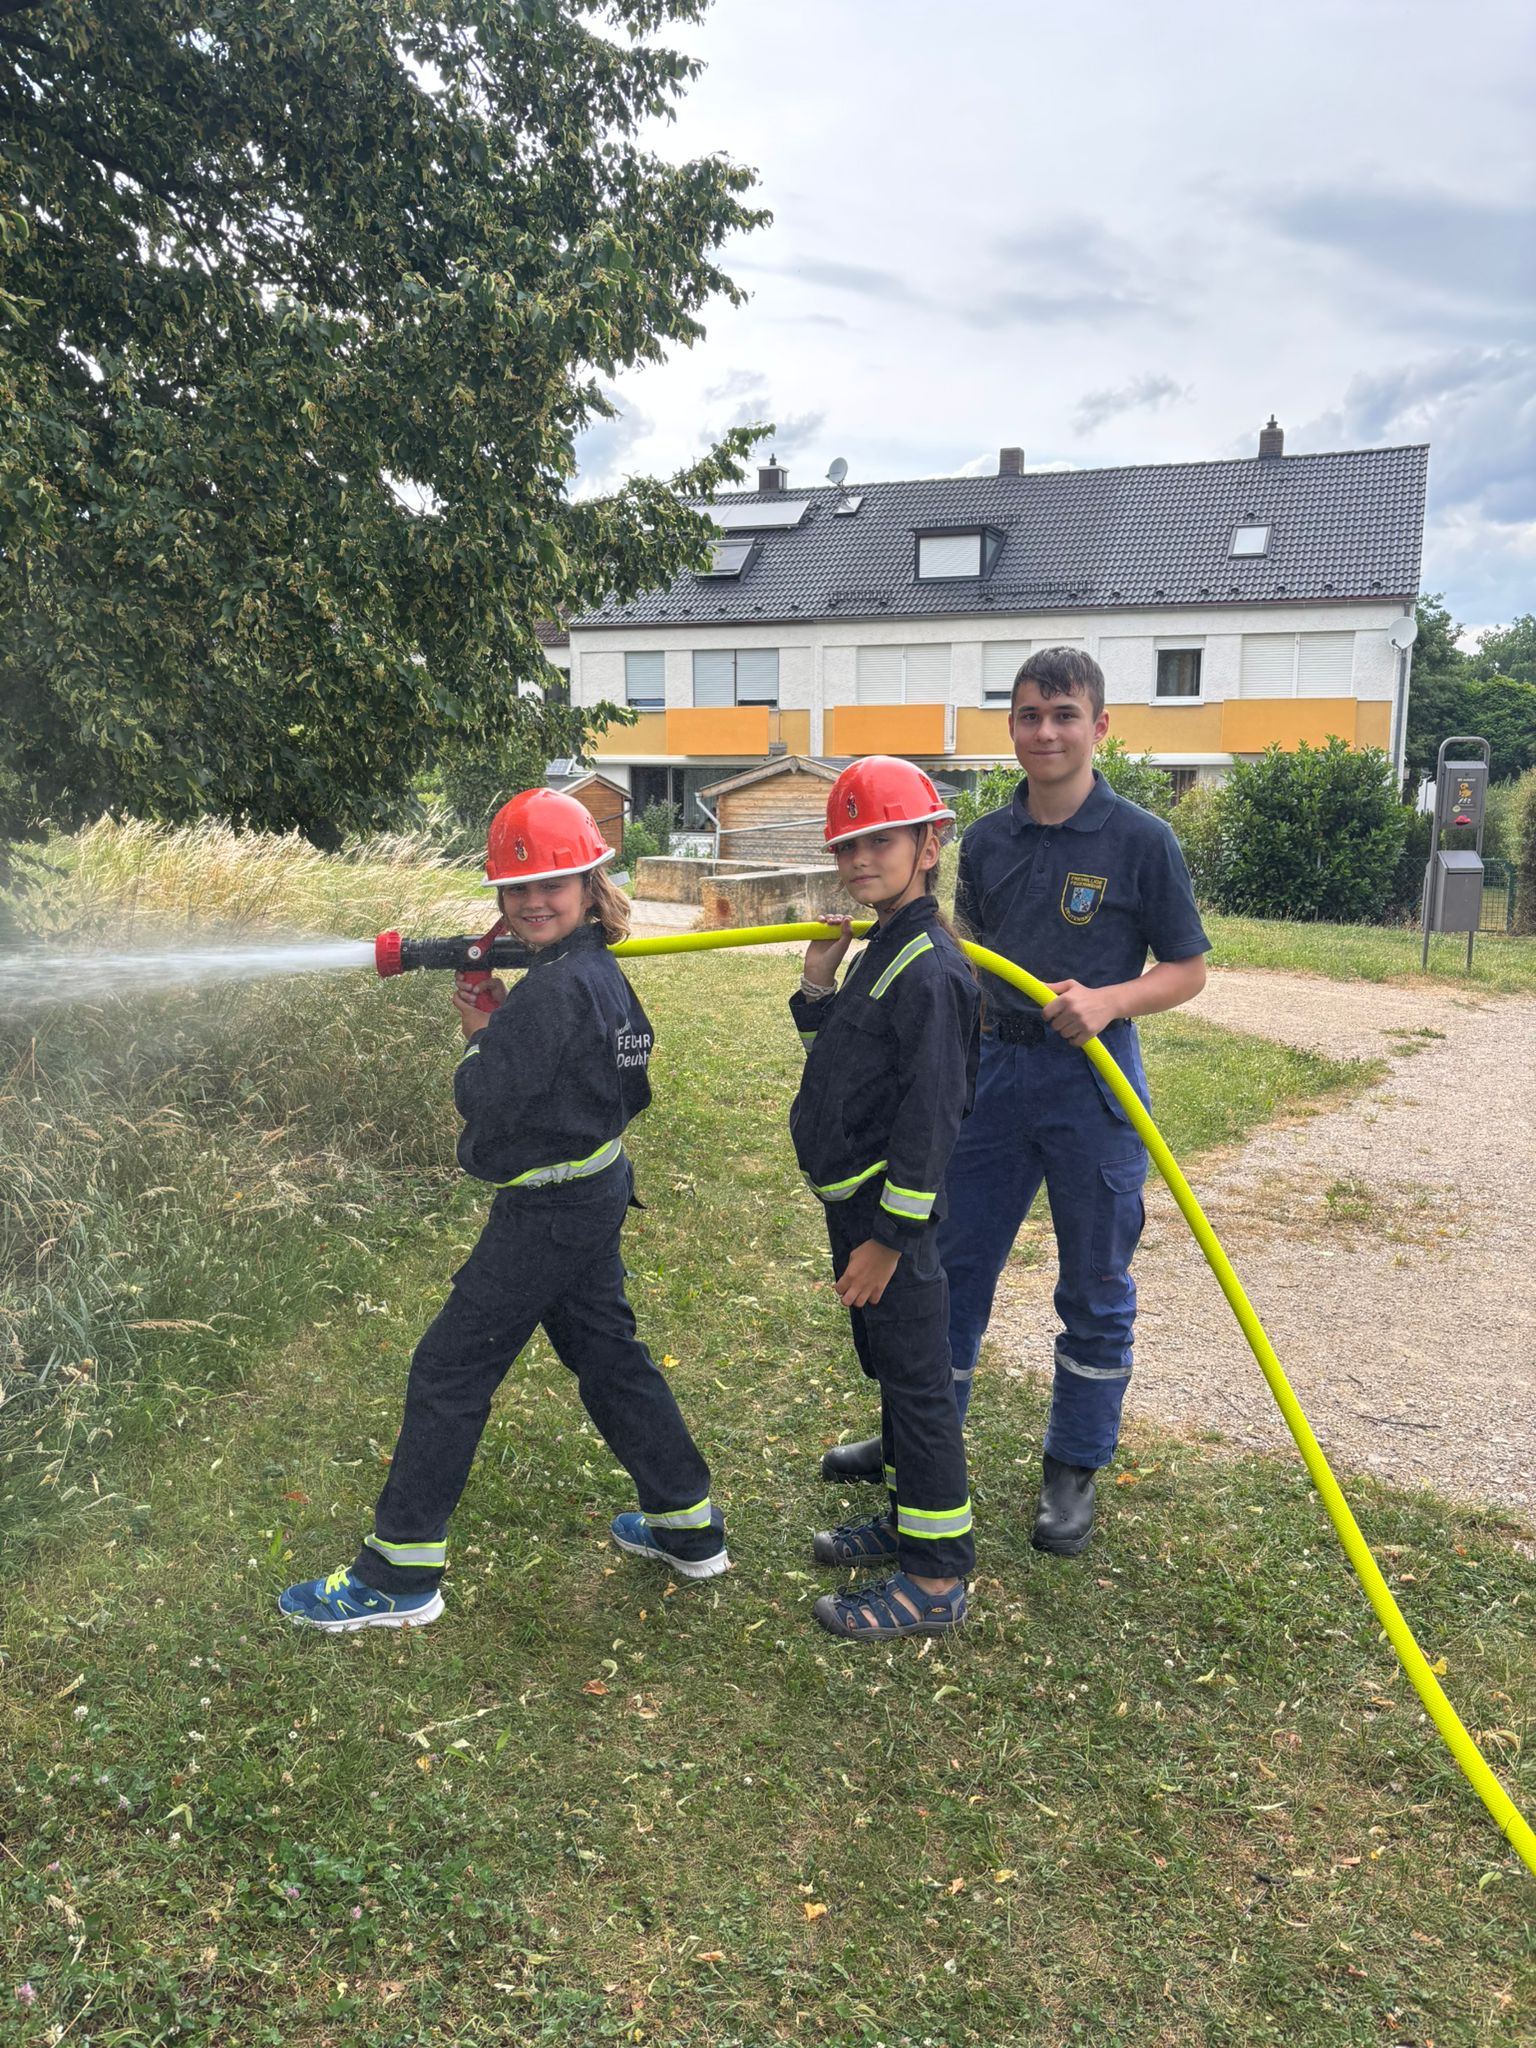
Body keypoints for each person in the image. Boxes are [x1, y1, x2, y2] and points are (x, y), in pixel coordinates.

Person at [279, 788, 726, 1631]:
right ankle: (687, 1523)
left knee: (450, 1370)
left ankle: (400, 1574)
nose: (533, 900)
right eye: (517, 889)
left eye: (554, 883)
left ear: (592, 885)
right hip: (593, 1190)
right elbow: (632, 1085)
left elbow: (483, 1097)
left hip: (548, 1213)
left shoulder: (551, 995)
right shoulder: (598, 977)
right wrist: (507, 1025)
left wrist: (481, 1031)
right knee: (609, 1357)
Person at [821, 648, 1209, 1557]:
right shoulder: (988, 842)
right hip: (993, 1080)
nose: (1046, 731)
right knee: (942, 1270)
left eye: (1065, 714)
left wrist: (1110, 1001)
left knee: (1096, 1283)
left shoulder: (1143, 841)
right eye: (1031, 715)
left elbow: (1187, 970)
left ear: (1099, 727)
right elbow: (963, 956)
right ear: (1013, 727)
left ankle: (1072, 1467)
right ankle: (922, 1433)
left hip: (1093, 1089)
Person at [790, 757, 980, 1638]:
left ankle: (935, 1578)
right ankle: (906, 1526)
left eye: (881, 840)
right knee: (894, 1380)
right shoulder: (882, 945)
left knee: (918, 1387)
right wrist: (818, 987)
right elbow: (853, 1068)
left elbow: (930, 1121)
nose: (861, 857)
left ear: (930, 844)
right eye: (848, 843)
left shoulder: (933, 968)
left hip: (888, 1223)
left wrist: (889, 1241)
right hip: (857, 1211)